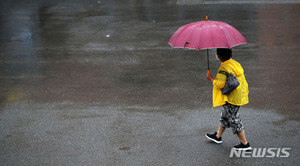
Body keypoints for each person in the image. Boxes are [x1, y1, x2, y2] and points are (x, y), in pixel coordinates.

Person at [205, 48, 251, 150]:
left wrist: (211, 79)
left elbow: (220, 85)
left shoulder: (223, 68)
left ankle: (244, 143)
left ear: (219, 56)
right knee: (225, 115)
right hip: (238, 94)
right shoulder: (234, 63)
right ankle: (217, 136)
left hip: (231, 97)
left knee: (234, 119)